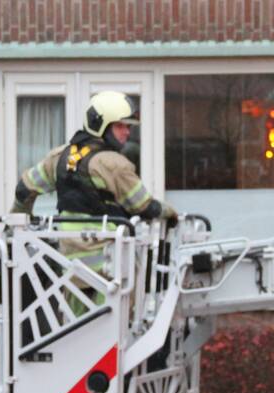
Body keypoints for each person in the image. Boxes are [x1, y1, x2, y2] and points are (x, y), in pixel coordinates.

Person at [11, 90, 177, 275]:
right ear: (100, 125)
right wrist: (170, 212)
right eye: (120, 126)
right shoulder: (115, 165)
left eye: (128, 127)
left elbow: (23, 189)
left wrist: (17, 228)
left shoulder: (60, 157)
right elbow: (146, 207)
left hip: (68, 270)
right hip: (108, 273)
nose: (127, 132)